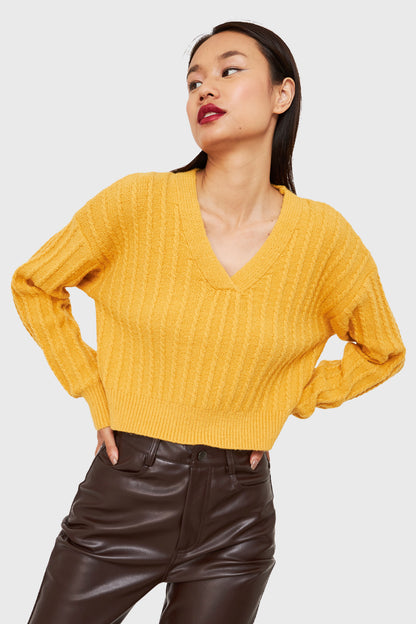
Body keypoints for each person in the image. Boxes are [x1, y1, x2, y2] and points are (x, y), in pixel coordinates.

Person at [11, 19, 406, 624]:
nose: (205, 90)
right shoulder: (137, 203)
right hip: (124, 491)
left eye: (229, 71)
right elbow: (35, 284)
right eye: (194, 81)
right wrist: (89, 384)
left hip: (237, 516)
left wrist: (287, 397)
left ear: (282, 94)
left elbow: (383, 350)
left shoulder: (324, 238)